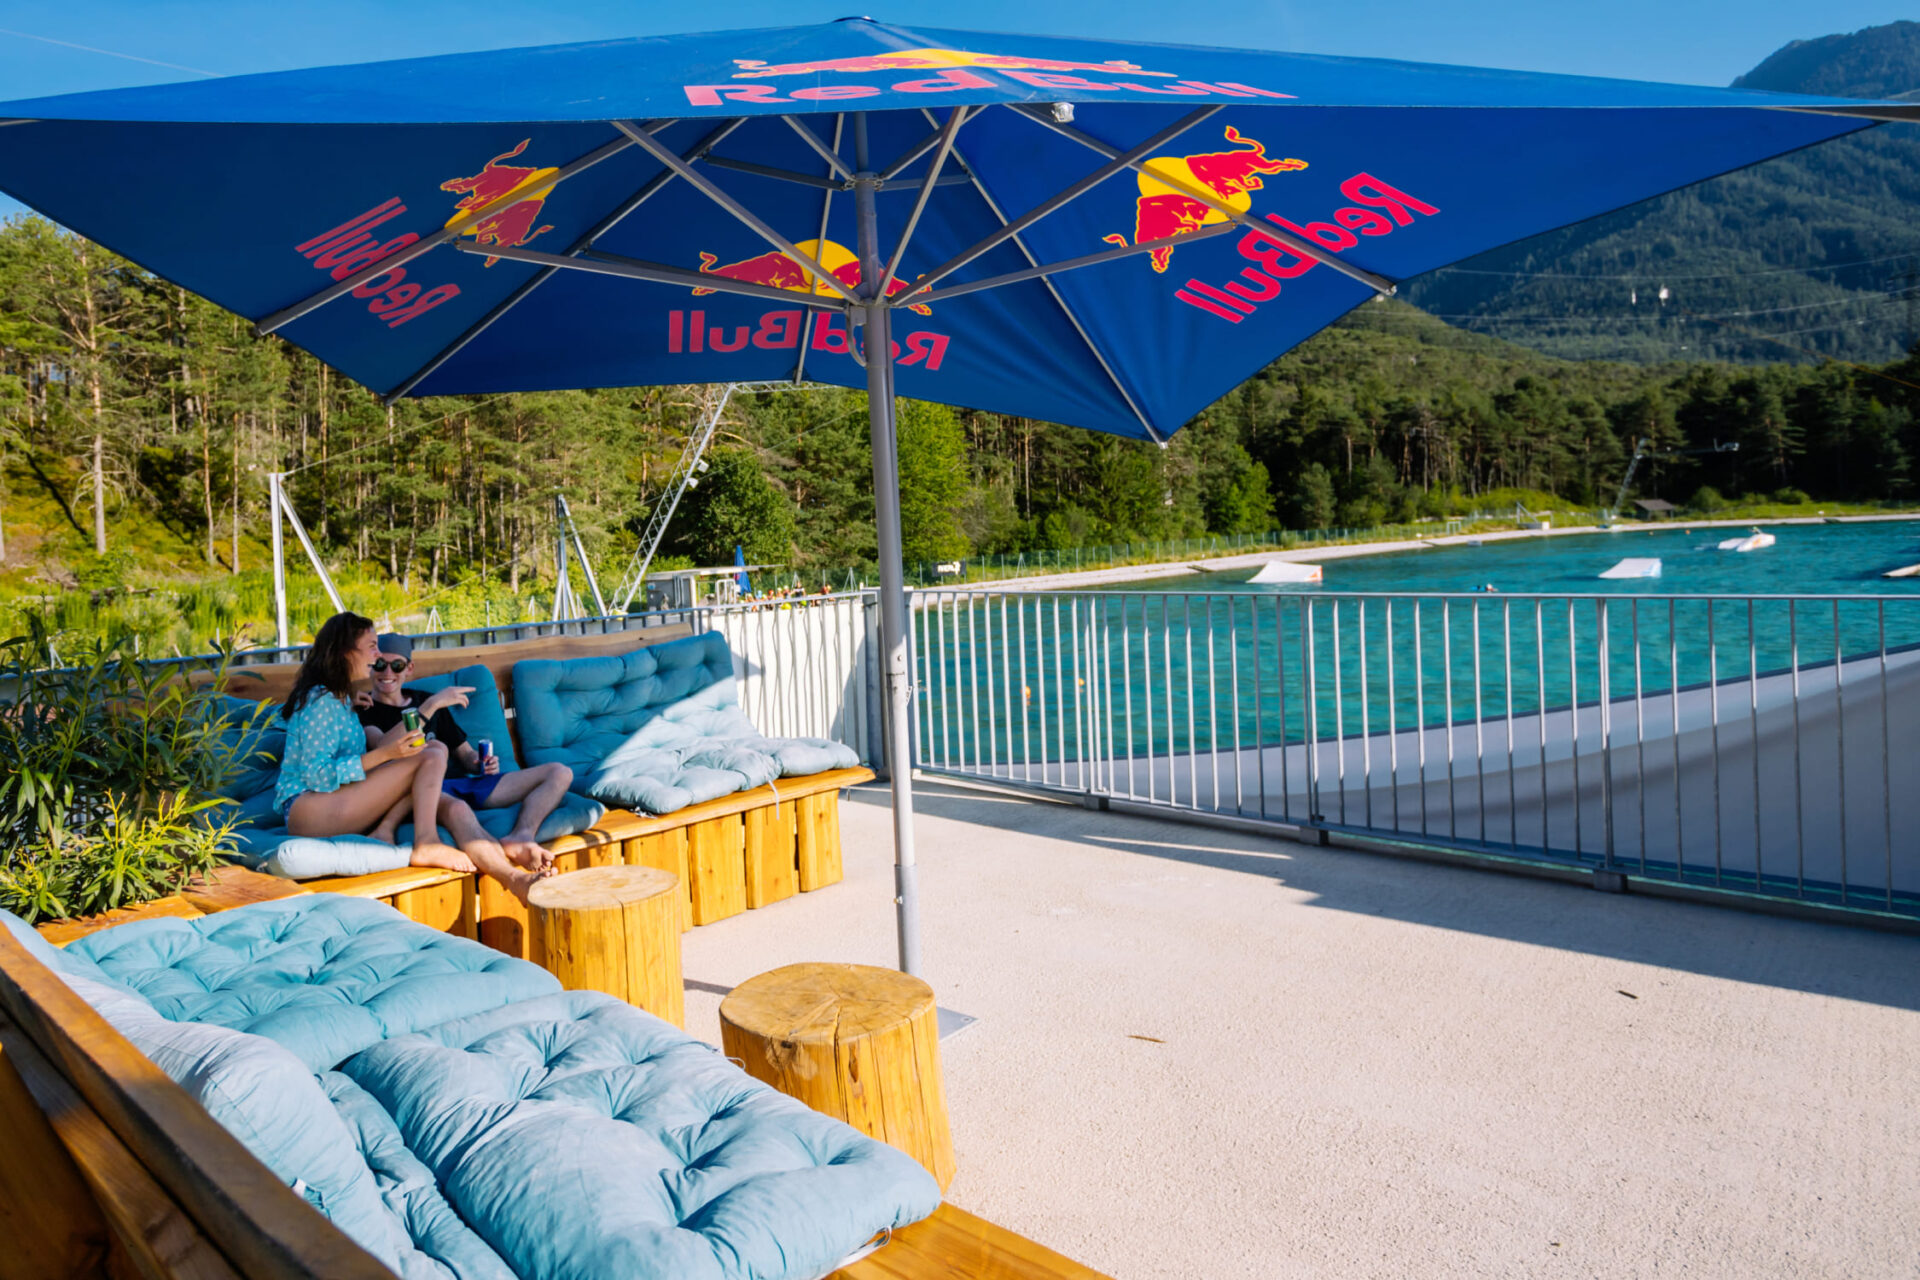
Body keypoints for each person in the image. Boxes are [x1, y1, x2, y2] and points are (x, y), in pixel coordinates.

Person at [276, 612, 546, 903]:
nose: (378, 656)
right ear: (344, 651)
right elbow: (318, 775)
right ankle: (425, 841)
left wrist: (352, 710)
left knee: (453, 802)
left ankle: (516, 879)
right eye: (372, 647)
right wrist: (384, 754)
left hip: (339, 800)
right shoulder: (321, 702)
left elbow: (369, 749)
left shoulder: (339, 700)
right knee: (432, 751)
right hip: (309, 811)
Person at [354, 633, 571, 870]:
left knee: (559, 773)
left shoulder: (424, 699)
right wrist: (432, 705)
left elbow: (464, 754)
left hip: (462, 784)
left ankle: (522, 835)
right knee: (459, 809)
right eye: (379, 665)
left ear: (409, 668)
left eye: (397, 665)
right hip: (420, 793)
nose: (388, 673)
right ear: (371, 668)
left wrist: (480, 763)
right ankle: (512, 875)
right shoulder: (366, 709)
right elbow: (382, 746)